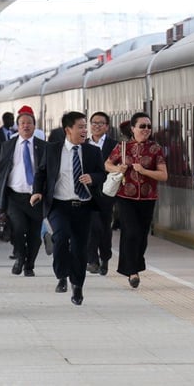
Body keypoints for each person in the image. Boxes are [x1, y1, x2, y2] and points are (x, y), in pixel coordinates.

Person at [31, 111, 105, 306]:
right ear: (68, 130)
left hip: (84, 206)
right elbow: (41, 173)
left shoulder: (92, 151)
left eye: (84, 127)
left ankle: (77, 286)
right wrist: (37, 192)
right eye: (80, 127)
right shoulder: (52, 150)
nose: (84, 131)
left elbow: (101, 174)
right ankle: (61, 274)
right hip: (59, 205)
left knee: (80, 248)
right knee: (61, 237)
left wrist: (93, 178)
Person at [106, 112, 168, 290]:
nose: (146, 130)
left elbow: (163, 175)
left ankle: (134, 265)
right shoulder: (122, 147)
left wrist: (144, 171)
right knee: (130, 232)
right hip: (126, 196)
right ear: (133, 129)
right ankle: (132, 271)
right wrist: (119, 168)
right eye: (142, 126)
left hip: (148, 198)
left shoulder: (155, 149)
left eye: (149, 126)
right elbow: (107, 164)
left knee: (141, 236)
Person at [0, 106, 47, 277]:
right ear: (17, 126)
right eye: (22, 123)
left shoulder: (43, 147)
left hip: (36, 197)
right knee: (17, 229)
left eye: (29, 123)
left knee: (34, 236)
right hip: (14, 196)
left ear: (34, 125)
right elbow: (2, 172)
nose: (25, 126)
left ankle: (29, 265)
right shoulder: (8, 145)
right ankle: (20, 258)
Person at [86, 111, 118, 276]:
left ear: (107, 126)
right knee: (92, 225)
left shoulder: (114, 145)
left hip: (107, 192)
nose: (96, 126)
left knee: (104, 227)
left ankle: (105, 257)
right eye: (94, 123)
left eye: (100, 123)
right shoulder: (83, 144)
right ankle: (92, 260)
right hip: (88, 191)